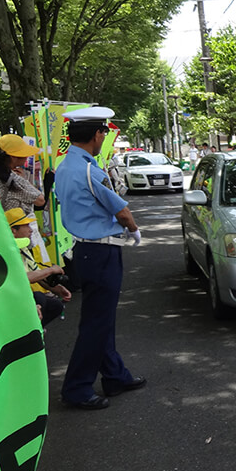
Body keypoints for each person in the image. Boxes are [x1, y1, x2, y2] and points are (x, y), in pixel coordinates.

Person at [54, 106, 146, 410]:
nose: (104, 137)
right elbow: (121, 210)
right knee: (96, 322)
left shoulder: (65, 167)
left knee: (100, 318)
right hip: (101, 250)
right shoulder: (90, 170)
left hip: (83, 249)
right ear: (97, 134)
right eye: (104, 132)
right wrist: (133, 229)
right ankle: (77, 388)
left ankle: (115, 375)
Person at [6, 207, 71, 327]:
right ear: (13, 230)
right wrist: (51, 270)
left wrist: (56, 288)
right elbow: (25, 278)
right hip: (8, 299)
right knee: (39, 297)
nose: (31, 230)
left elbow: (37, 274)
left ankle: (36, 331)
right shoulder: (7, 250)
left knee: (56, 305)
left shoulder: (23, 246)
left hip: (21, 295)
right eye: (26, 226)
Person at [0, 133, 46, 212]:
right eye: (25, 155)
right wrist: (25, 180)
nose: (26, 158)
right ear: (13, 157)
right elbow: (41, 200)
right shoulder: (14, 180)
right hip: (10, 222)